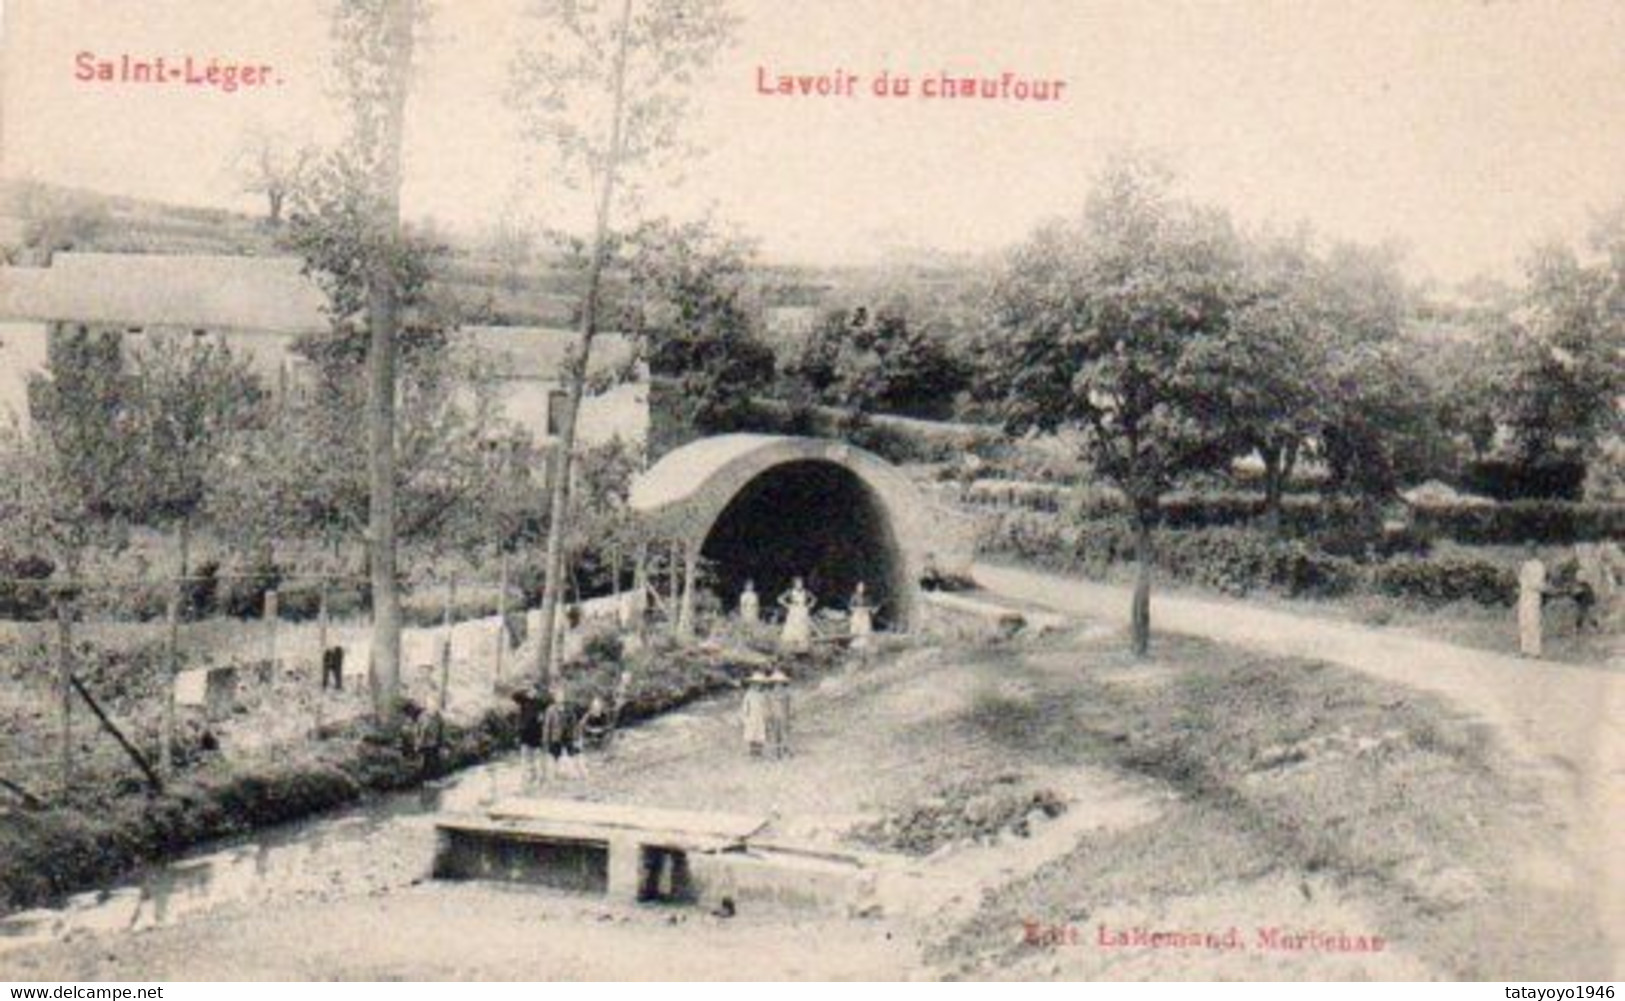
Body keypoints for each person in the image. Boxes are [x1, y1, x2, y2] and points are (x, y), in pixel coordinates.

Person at [1518, 545, 1547, 658]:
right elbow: (1521, 580)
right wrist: (1524, 583)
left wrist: (1530, 583)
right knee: (1523, 621)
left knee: (1533, 622)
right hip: (1524, 596)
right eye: (1526, 550)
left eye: (1530, 550)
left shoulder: (1539, 565)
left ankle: (1536, 651)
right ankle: (1524, 649)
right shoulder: (1525, 564)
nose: (1527, 553)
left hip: (1533, 597)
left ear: (1534, 551)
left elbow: (1539, 583)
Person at [513, 686, 545, 787]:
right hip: (525, 735)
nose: (532, 693)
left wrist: (542, 716)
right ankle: (526, 778)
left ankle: (536, 778)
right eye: (530, 691)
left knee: (536, 758)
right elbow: (514, 695)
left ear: (537, 692)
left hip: (536, 734)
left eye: (534, 691)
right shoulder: (523, 701)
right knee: (525, 758)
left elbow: (550, 700)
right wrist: (525, 688)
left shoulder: (540, 702)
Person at [778, 577, 815, 654]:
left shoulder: (805, 592)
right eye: (798, 583)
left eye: (801, 583)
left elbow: (814, 599)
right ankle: (790, 646)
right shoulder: (790, 591)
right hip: (794, 611)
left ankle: (802, 646)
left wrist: (809, 606)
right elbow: (780, 599)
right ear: (794, 584)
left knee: (802, 627)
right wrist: (787, 605)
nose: (800, 585)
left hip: (802, 611)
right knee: (792, 626)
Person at [740, 672, 770, 757]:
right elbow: (745, 707)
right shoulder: (749, 694)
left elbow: (766, 706)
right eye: (756, 683)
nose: (758, 685)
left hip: (761, 717)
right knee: (751, 735)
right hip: (751, 717)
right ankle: (752, 753)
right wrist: (745, 718)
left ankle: (759, 753)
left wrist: (767, 716)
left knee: (760, 736)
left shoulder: (764, 694)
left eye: (760, 683)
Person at [767, 668, 792, 758]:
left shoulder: (786, 693)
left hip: (783, 716)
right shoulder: (770, 694)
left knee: (784, 733)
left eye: (780, 682)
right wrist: (769, 715)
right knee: (775, 734)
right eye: (776, 682)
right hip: (774, 716)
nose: (778, 684)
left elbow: (788, 706)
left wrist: (788, 715)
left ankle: (786, 751)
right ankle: (776, 752)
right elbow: (769, 706)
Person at [849, 582, 875, 655]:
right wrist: (857, 610)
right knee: (855, 630)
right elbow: (850, 607)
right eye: (860, 587)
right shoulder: (854, 597)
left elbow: (870, 607)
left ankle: (864, 646)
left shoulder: (868, 597)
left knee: (865, 630)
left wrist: (866, 610)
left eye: (863, 587)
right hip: (857, 615)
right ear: (857, 588)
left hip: (865, 616)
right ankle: (855, 646)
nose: (862, 589)